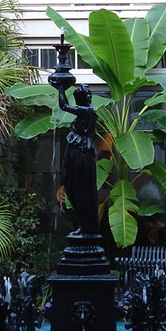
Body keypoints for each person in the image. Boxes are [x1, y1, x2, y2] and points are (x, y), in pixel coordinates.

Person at [55, 83, 99, 235]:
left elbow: (64, 106)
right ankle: (84, 225)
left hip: (81, 151)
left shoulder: (87, 110)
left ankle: (87, 226)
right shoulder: (85, 111)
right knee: (72, 186)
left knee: (81, 189)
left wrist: (61, 88)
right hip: (77, 150)